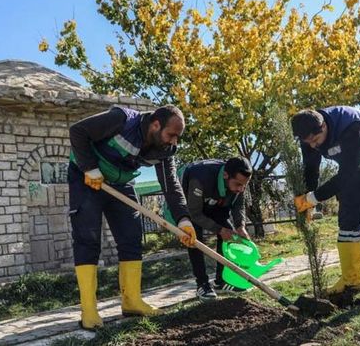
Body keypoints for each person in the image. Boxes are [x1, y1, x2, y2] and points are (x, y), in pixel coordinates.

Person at [68, 104, 197, 330]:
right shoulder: (121, 120)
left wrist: (184, 220)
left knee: (131, 236)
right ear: (155, 124)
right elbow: (78, 131)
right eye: (172, 135)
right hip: (86, 178)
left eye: (178, 137)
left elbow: (171, 185)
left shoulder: (166, 150)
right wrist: (89, 167)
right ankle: (89, 309)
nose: (174, 142)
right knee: (87, 239)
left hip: (120, 182)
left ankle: (131, 301)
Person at [291, 106, 360, 302]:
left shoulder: (350, 127)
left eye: (315, 140)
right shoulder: (308, 135)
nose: (313, 146)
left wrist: (314, 198)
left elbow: (347, 175)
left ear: (323, 126)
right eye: (308, 142)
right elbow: (311, 168)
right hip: (350, 165)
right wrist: (307, 200)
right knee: (347, 218)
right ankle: (351, 279)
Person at [172, 157, 252, 300]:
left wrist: (240, 226)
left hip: (216, 202)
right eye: (238, 184)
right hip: (190, 207)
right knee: (194, 238)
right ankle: (202, 285)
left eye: (244, 185)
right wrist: (219, 229)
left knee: (229, 231)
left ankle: (221, 281)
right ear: (225, 175)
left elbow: (239, 204)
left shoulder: (239, 182)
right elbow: (195, 214)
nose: (241, 189)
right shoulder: (200, 177)